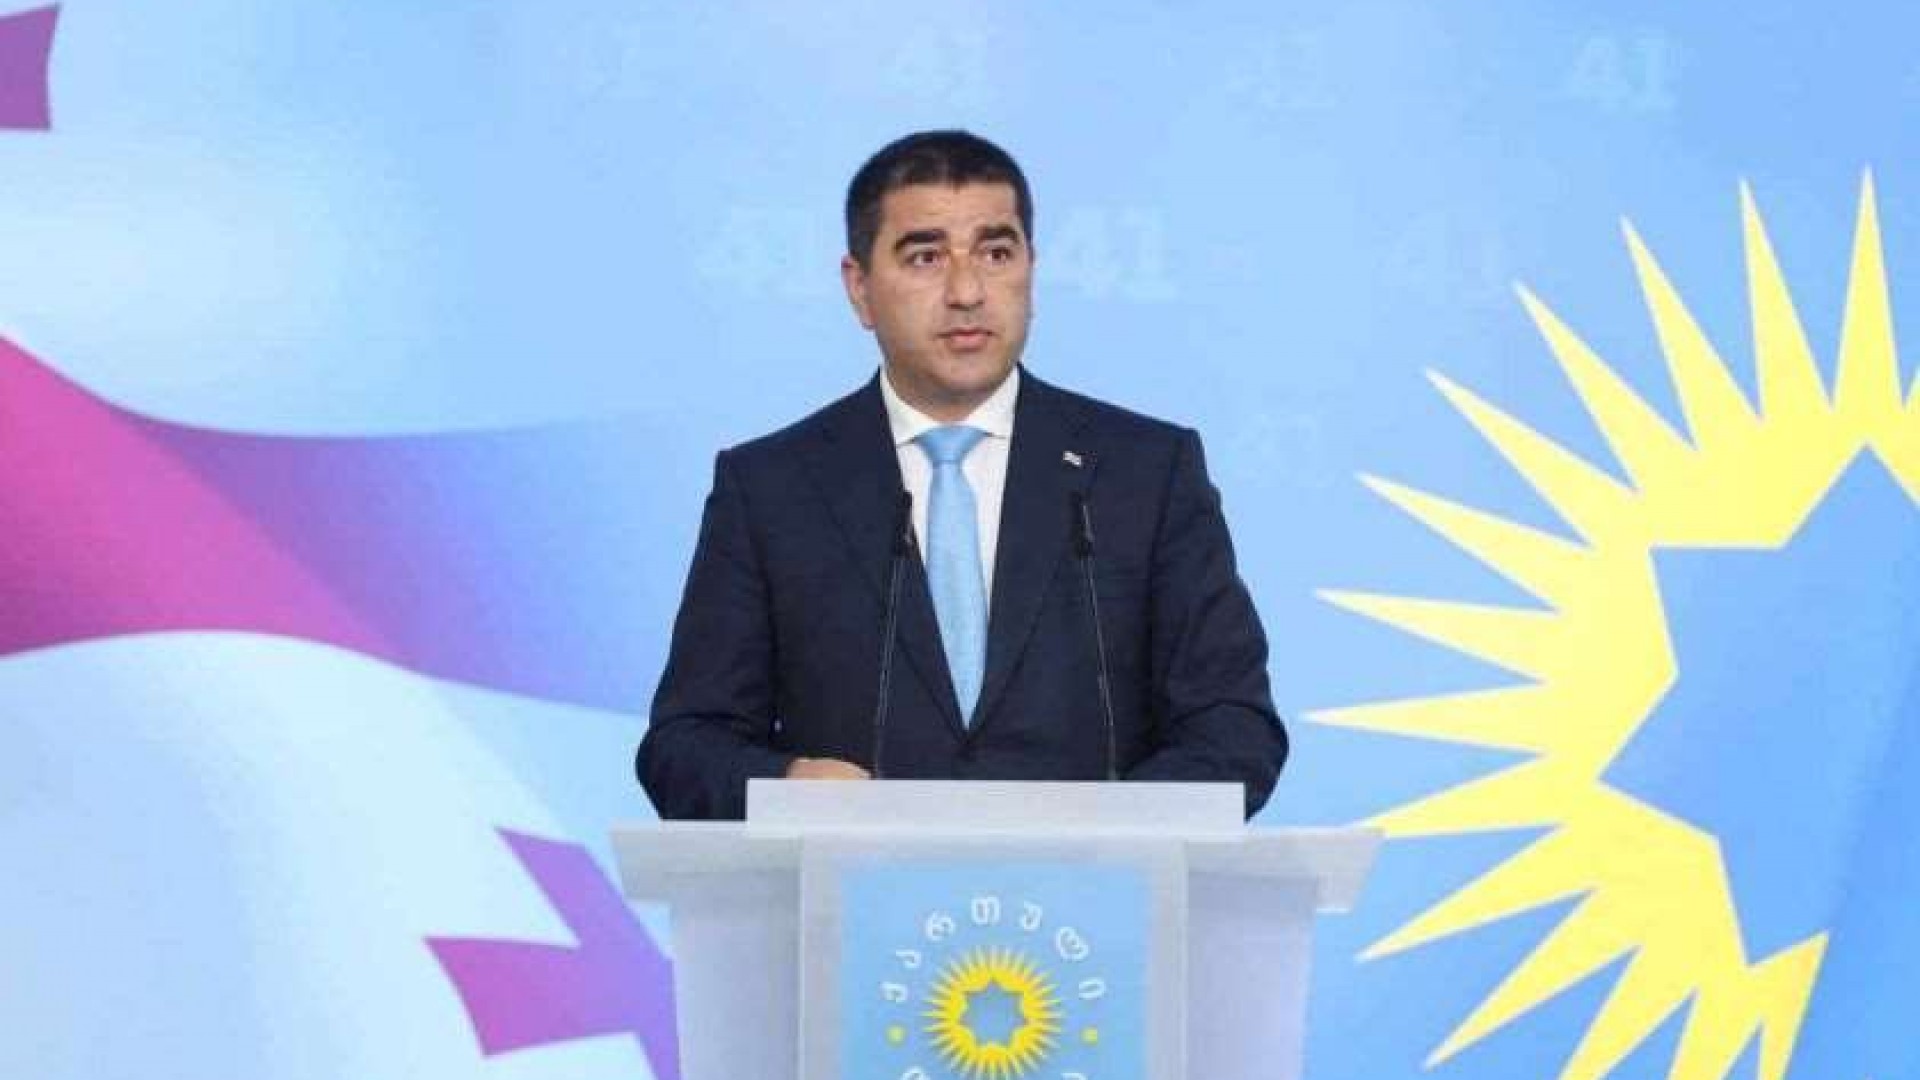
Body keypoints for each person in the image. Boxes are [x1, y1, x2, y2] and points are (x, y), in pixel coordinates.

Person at [637, 130, 1286, 820]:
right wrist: (790, 786)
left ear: (1031, 270)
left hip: (1095, 884)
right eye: (925, 257)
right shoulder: (771, 487)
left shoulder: (1145, 473)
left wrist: (1102, 836)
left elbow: (1234, 731)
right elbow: (684, 747)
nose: (968, 291)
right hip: (848, 882)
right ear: (859, 289)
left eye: (996, 253)